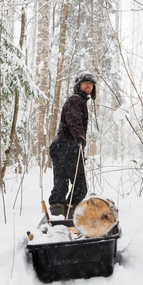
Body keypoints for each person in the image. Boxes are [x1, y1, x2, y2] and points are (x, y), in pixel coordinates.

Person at [48, 72, 97, 218]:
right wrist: (79, 137)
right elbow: (73, 119)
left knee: (63, 182)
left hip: (63, 146)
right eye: (85, 83)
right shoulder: (75, 100)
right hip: (66, 146)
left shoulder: (79, 101)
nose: (89, 85)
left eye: (91, 83)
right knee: (79, 184)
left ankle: (63, 211)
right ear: (78, 85)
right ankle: (65, 212)